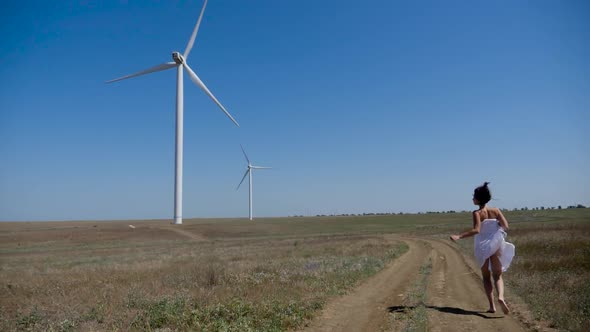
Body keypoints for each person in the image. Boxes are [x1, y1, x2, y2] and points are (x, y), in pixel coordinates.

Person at [450, 182, 515, 314]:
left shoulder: (477, 213)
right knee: (497, 275)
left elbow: (477, 230)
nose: (472, 198)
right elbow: (505, 225)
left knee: (486, 277)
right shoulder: (496, 210)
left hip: (483, 247)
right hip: (496, 245)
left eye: (474, 196)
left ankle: (492, 306)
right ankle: (501, 297)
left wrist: (459, 236)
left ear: (479, 199)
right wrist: (495, 224)